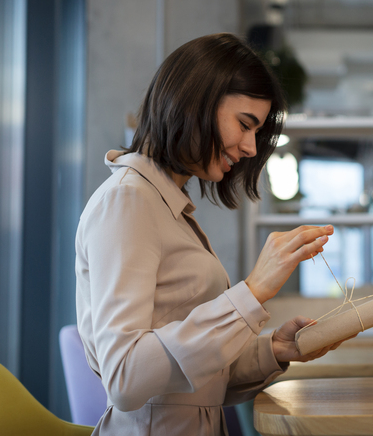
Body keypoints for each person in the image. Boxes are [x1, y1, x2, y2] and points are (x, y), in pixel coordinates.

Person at [75, 33, 349, 436]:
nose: (252, 147)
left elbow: (188, 374)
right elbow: (127, 377)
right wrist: (251, 292)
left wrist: (273, 350)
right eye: (244, 124)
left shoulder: (163, 205)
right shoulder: (128, 202)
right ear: (195, 100)